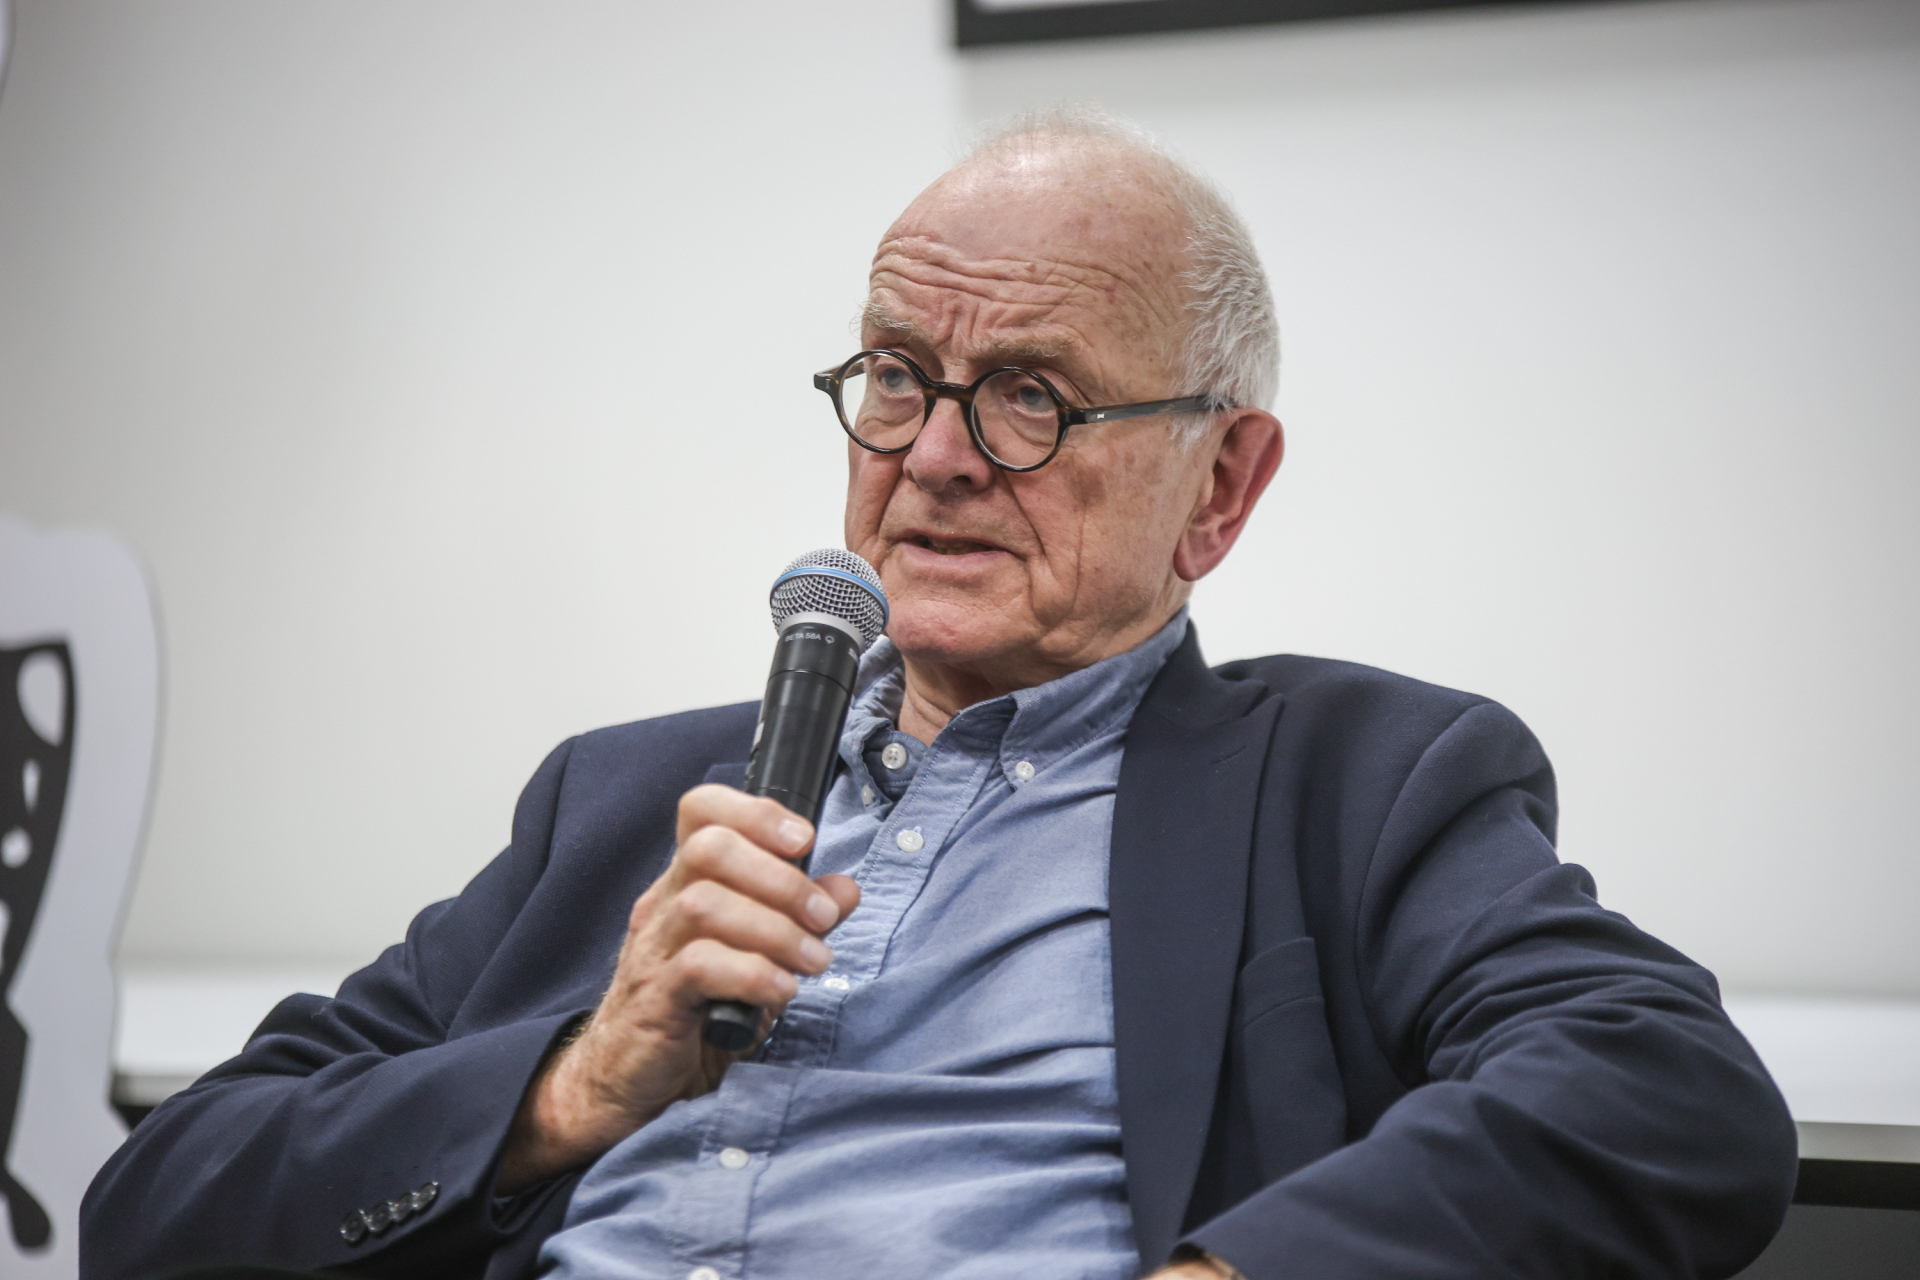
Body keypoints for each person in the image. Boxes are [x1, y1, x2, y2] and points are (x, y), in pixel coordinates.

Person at [81, 109, 1796, 1280]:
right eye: (898, 378)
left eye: (1034, 394)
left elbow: (1662, 1090)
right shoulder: (615, 801)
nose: (938, 459)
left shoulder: (1357, 782)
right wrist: (576, 1088)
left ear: (1219, 486)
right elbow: (158, 1202)